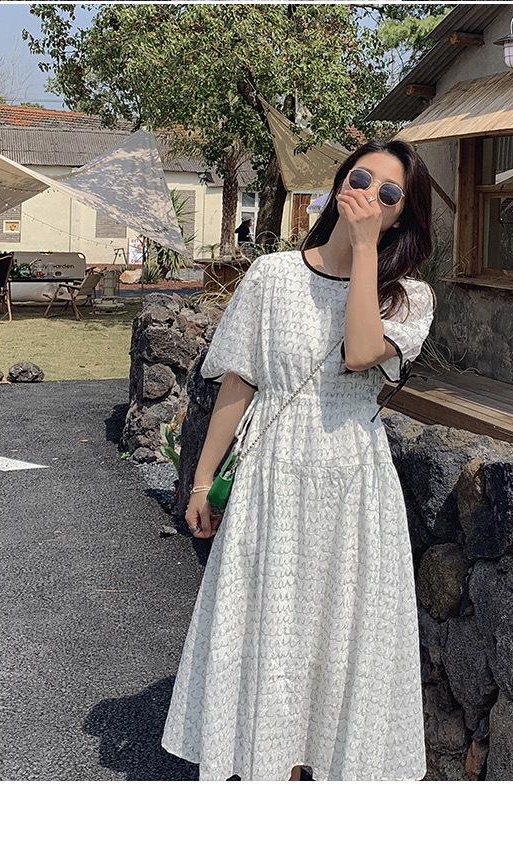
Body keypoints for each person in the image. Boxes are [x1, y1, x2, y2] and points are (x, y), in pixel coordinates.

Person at [161, 139, 437, 781]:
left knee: (340, 638)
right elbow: (240, 382)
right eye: (361, 177)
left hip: (353, 487)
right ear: (340, 181)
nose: (368, 194)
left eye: (388, 193)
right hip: (274, 477)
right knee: (271, 631)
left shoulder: (409, 298)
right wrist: (202, 480)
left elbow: (360, 353)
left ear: (402, 214)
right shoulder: (272, 276)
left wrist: (365, 251)